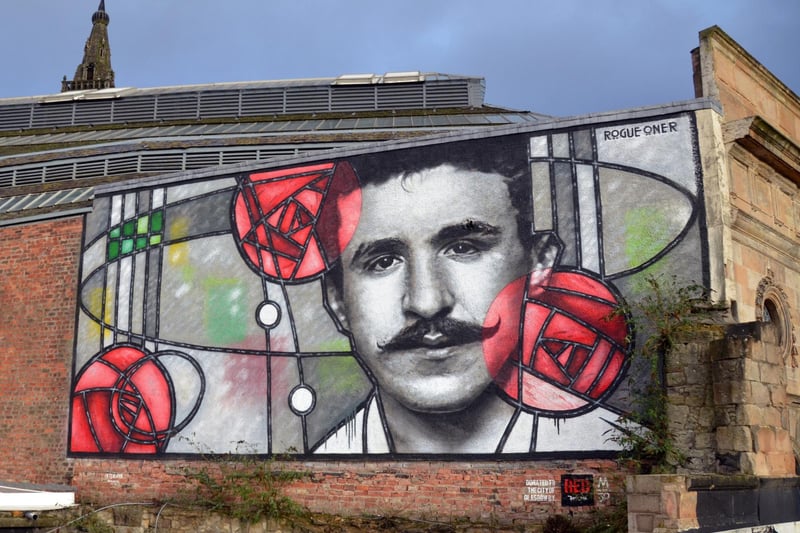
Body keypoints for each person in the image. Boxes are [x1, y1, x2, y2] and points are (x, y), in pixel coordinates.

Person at [317, 137, 621, 454]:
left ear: (539, 264)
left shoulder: (613, 443)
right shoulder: (314, 465)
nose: (427, 302)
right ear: (338, 302)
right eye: (383, 262)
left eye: (464, 248)